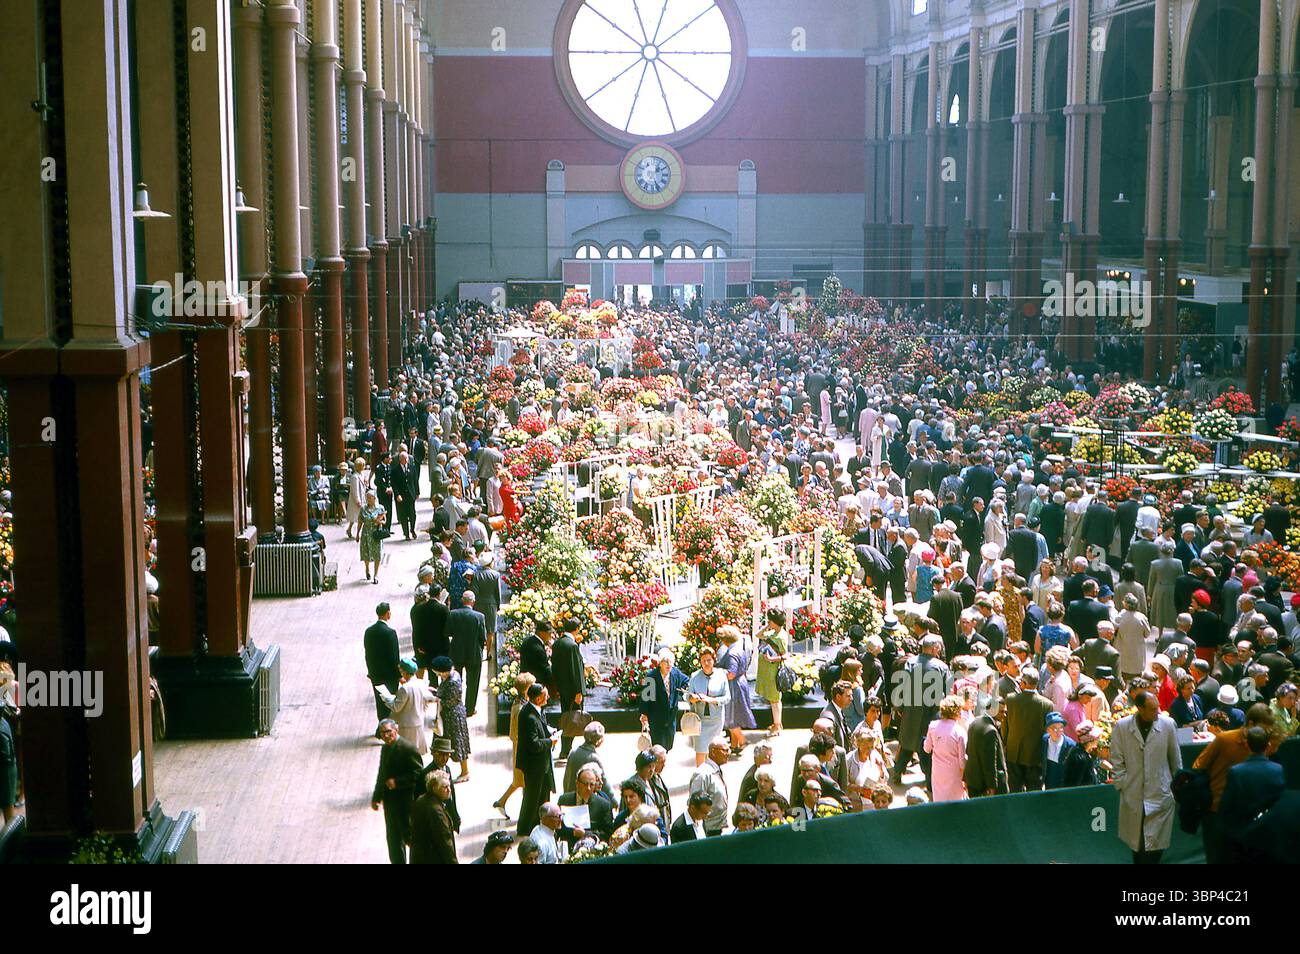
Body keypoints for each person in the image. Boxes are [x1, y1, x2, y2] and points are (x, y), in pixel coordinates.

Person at [1110, 690, 1181, 864]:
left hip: (1160, 793)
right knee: (1137, 845)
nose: (1157, 712)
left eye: (1157, 708)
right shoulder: (1122, 726)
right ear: (1140, 709)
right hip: (1133, 793)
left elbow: (1175, 760)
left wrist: (1176, 788)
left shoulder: (1168, 725)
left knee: (1156, 846)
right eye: (1152, 709)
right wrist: (1122, 783)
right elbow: (1117, 758)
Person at [1217, 725, 1285, 862]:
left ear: (1247, 745)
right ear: (1268, 745)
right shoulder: (1278, 769)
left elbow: (1226, 807)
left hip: (1244, 837)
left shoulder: (1236, 772)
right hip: (1269, 835)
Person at [371, 719, 424, 864]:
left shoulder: (408, 749)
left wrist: (398, 782)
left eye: (388, 731)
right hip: (390, 805)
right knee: (394, 842)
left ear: (396, 730)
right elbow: (382, 774)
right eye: (383, 733)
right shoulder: (386, 748)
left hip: (406, 804)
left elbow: (419, 774)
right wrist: (376, 797)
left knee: (410, 839)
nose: (386, 735)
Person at [516, 682, 558, 839]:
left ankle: (539, 823)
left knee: (543, 794)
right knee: (532, 798)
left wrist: (549, 731)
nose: (548, 697)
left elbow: (542, 727)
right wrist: (550, 742)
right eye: (545, 695)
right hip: (534, 765)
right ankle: (525, 828)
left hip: (542, 764)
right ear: (539, 698)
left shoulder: (535, 710)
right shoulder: (529, 716)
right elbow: (533, 744)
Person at [378, 658, 436, 755]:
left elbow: (396, 707)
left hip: (407, 726)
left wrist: (386, 699)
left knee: (406, 753)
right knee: (416, 753)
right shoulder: (420, 683)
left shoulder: (405, 688)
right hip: (418, 722)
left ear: (404, 671)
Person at [446, 589, 487, 719]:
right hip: (474, 653)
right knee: (473, 682)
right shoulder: (480, 617)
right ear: (473, 602)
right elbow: (483, 637)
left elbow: (447, 632)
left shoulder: (453, 614)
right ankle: (469, 709)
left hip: (456, 652)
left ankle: (455, 706)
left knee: (455, 681)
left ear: (462, 601)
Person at [687, 647, 730, 767]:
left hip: (716, 721)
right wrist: (693, 698)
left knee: (715, 750)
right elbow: (688, 697)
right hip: (700, 721)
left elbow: (727, 697)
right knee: (700, 750)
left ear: (714, 660)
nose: (706, 663)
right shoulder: (695, 676)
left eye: (709, 660)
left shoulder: (721, 675)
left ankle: (714, 775)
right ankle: (700, 777)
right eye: (703, 660)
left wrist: (712, 700)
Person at [640, 648, 689, 751]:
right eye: (665, 662)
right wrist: (644, 715)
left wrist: (681, 691)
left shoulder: (675, 673)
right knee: (658, 747)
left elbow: (686, 681)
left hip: (670, 718)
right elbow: (646, 699)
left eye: (670, 662)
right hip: (657, 718)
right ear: (660, 663)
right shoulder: (652, 676)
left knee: (669, 745)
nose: (668, 664)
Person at [717, 625, 756, 755]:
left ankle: (742, 741)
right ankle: (734, 745)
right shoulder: (739, 647)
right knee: (735, 717)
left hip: (734, 685)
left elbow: (731, 674)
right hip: (741, 682)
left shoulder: (732, 653)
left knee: (731, 717)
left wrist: (717, 672)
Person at [430, 656, 470, 781]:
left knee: (458, 743)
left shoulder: (453, 681)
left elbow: (450, 701)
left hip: (453, 717)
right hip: (449, 715)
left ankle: (465, 772)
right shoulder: (452, 676)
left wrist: (436, 698)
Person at [922, 695, 968, 801]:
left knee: (939, 800)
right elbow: (962, 762)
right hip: (954, 774)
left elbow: (926, 748)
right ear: (956, 712)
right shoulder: (960, 732)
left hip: (937, 772)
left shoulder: (933, 726)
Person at [552, 618, 585, 761]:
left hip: (563, 688)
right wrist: (579, 691)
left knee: (566, 717)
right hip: (572, 690)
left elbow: (555, 668)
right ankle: (566, 750)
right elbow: (575, 670)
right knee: (572, 719)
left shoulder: (558, 643)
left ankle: (565, 749)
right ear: (576, 629)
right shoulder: (572, 645)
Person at [409, 770, 457, 864]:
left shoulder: (421, 800)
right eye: (445, 787)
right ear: (434, 788)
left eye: (449, 786)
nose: (449, 790)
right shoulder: (436, 811)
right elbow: (445, 843)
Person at [363, 602, 401, 724]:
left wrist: (370, 671)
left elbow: (367, 654)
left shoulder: (369, 631)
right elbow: (394, 657)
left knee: (379, 701)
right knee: (389, 701)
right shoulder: (390, 633)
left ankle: (381, 725)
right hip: (390, 675)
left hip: (375, 673)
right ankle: (387, 726)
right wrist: (399, 675)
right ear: (388, 613)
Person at [964, 698, 1009, 797]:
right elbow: (991, 762)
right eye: (1002, 712)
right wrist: (992, 787)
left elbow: (968, 751)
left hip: (973, 780)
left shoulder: (974, 722)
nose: (1004, 715)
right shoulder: (990, 731)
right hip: (984, 786)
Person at [756, 608, 789, 736]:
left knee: (775, 700)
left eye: (770, 620)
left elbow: (785, 655)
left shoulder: (781, 637)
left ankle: (777, 726)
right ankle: (777, 723)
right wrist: (766, 626)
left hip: (773, 672)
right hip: (767, 671)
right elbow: (758, 635)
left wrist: (771, 659)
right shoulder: (773, 633)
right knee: (772, 700)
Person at [688, 738, 730, 836]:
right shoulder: (703, 774)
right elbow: (694, 802)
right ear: (713, 752)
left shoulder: (715, 770)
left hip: (717, 827)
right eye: (725, 750)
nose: (728, 753)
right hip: (707, 830)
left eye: (729, 750)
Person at [358, 489, 387, 583]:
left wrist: (379, 521)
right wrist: (357, 533)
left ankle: (376, 575)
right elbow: (360, 521)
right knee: (365, 552)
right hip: (366, 533)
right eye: (367, 498)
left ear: (374, 498)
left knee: (377, 554)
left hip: (376, 533)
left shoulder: (380, 508)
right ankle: (367, 569)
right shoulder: (363, 509)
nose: (368, 500)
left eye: (370, 498)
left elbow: (385, 521)